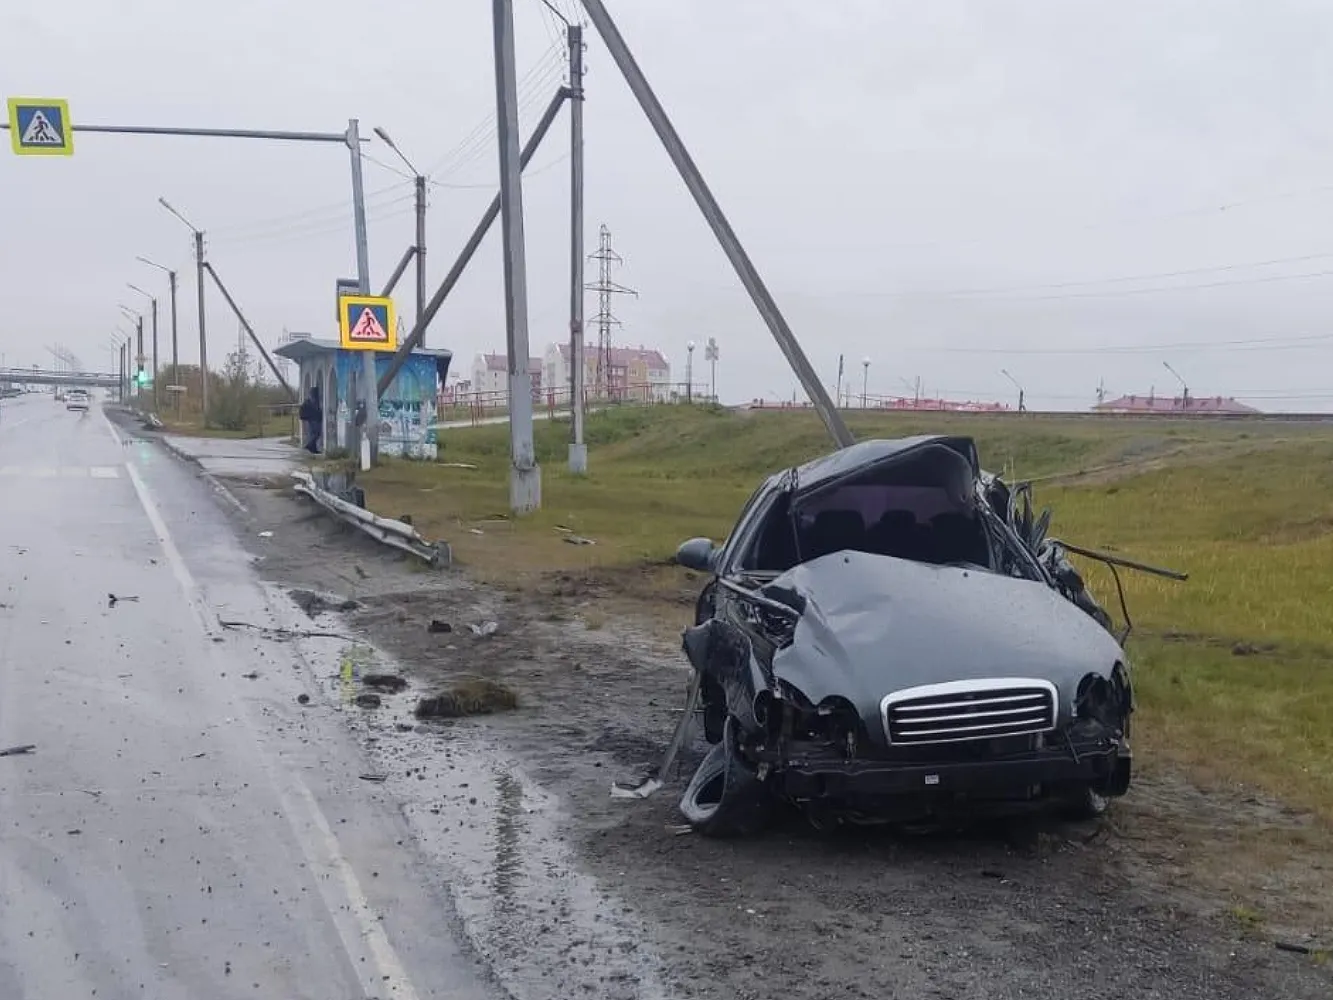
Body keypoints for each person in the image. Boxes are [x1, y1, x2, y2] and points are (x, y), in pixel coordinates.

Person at [299, 385, 322, 453]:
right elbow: (315, 410)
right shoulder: (313, 401)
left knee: (313, 434)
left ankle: (313, 449)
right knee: (317, 433)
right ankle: (309, 445)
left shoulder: (309, 401)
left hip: (311, 419)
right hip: (314, 419)